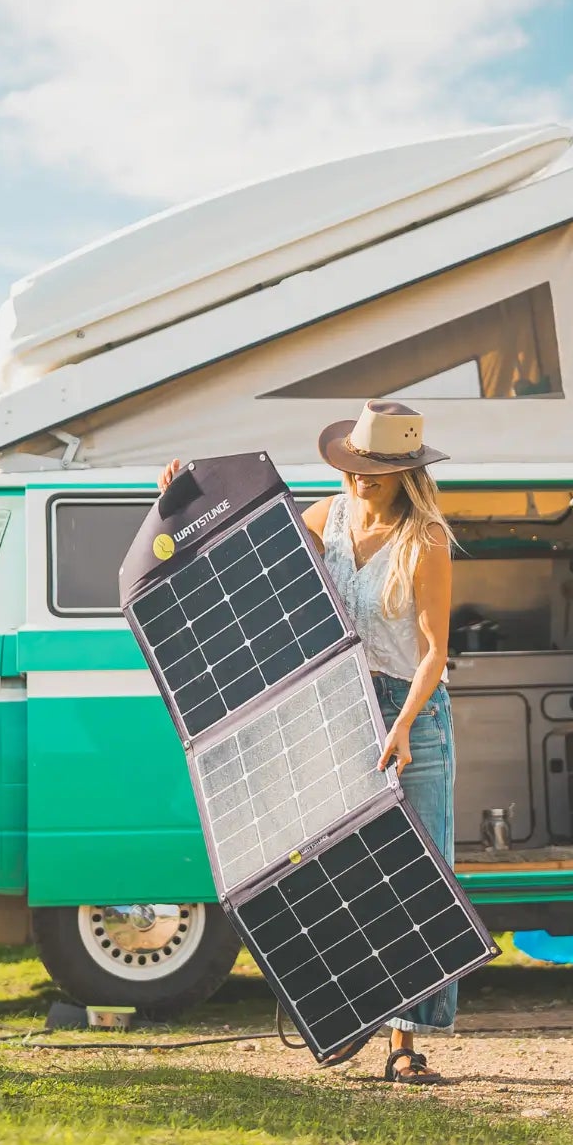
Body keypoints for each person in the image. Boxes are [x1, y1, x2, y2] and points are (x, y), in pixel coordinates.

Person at [158, 400, 457, 1086]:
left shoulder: (428, 540)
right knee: (350, 868)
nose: (358, 485)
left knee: (420, 876)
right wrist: (175, 504)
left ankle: (408, 1043)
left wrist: (406, 724)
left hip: (412, 709)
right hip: (342, 705)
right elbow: (243, 555)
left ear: (406, 477)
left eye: (374, 478)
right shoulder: (329, 515)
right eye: (353, 471)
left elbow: (437, 650)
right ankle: (355, 1010)